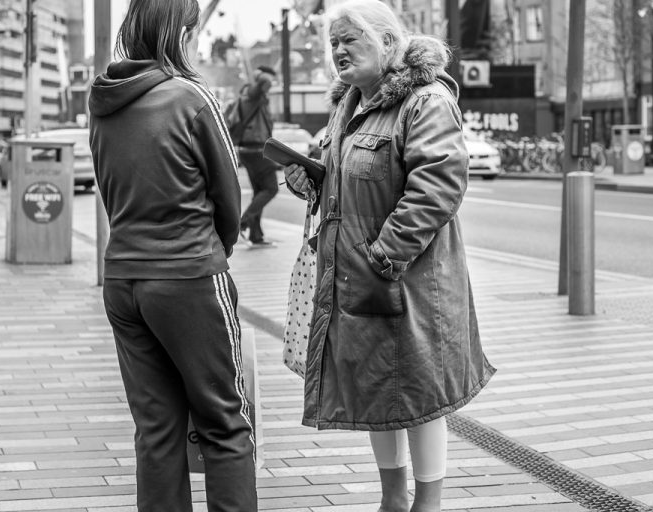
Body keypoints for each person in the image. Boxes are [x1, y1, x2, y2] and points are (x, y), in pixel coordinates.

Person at [284, 1, 496, 511]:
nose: (337, 50)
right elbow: (348, 178)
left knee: (420, 396)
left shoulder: (425, 101)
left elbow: (438, 186)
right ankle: (392, 498)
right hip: (362, 276)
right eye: (332, 42)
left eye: (349, 39)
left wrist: (384, 256)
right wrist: (312, 178)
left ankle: (428, 502)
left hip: (411, 281)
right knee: (377, 389)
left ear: (387, 41)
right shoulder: (350, 103)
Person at [87, 1, 257, 510]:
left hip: (123, 281)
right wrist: (215, 254)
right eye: (190, 30)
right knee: (225, 422)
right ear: (175, 33)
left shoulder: (102, 101)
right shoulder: (190, 97)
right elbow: (230, 197)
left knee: (156, 430)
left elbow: (109, 190)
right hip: (188, 274)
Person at [229, 65, 278, 247]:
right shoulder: (253, 92)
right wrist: (262, 75)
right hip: (257, 150)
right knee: (271, 188)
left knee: (259, 191)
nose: (272, 84)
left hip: (248, 150)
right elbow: (265, 81)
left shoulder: (247, 95)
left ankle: (256, 235)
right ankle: (243, 221)